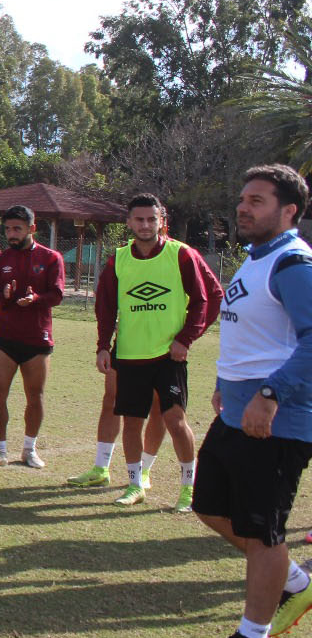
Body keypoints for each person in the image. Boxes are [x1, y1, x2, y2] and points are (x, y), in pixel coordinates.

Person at [189, 165, 312, 638]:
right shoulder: (256, 258)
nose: (243, 207)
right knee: (209, 506)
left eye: (257, 201)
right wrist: (225, 382)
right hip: (239, 412)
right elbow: (253, 332)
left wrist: (269, 391)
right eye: (243, 198)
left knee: (263, 532)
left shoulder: (293, 264)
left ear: (289, 212)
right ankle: (297, 581)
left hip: (275, 420)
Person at [94, 193, 222, 511]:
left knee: (175, 420)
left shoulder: (182, 255)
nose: (146, 225)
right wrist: (103, 346)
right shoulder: (119, 259)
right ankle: (136, 484)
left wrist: (186, 339)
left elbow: (205, 300)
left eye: (152, 219)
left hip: (168, 356)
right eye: (139, 219)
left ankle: (188, 489)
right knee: (133, 422)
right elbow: (106, 307)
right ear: (129, 223)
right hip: (129, 355)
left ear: (161, 221)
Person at [0, 204, 65, 469]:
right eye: (8, 229)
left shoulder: (51, 258)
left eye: (17, 228)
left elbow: (58, 295)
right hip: (4, 338)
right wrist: (3, 297)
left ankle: (29, 450)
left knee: (35, 395)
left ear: (32, 228)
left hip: (37, 340)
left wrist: (36, 299)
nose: (11, 234)